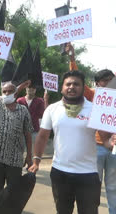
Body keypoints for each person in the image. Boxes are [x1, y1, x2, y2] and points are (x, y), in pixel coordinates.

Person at [29, 70, 116, 214]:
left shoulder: (95, 109)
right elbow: (43, 136)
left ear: (83, 87)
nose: (71, 87)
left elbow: (105, 140)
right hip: (60, 173)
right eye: (68, 84)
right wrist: (36, 160)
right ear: (62, 88)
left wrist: (111, 142)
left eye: (76, 84)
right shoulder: (52, 109)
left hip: (88, 174)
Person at [68, 43, 116, 213]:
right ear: (98, 83)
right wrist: (72, 58)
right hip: (96, 148)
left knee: (113, 187)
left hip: (115, 148)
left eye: (113, 80)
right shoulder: (93, 95)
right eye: (107, 80)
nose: (111, 83)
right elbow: (77, 77)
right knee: (94, 185)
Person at [0, 60, 34, 202]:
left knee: (13, 192)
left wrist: (29, 155)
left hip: (15, 159)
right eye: (4, 91)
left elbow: (28, 134)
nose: (7, 93)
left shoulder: (23, 111)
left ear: (15, 93)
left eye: (10, 91)